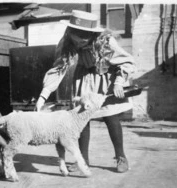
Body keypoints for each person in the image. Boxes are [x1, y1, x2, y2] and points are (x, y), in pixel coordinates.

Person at [35, 10, 136, 173]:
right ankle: (83, 160)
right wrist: (42, 96)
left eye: (83, 40)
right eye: (76, 39)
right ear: (71, 32)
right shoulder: (67, 41)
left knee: (110, 116)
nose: (79, 43)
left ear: (91, 35)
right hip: (83, 79)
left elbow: (126, 61)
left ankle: (121, 157)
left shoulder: (106, 41)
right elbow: (59, 68)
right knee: (81, 119)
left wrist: (118, 82)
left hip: (105, 79)